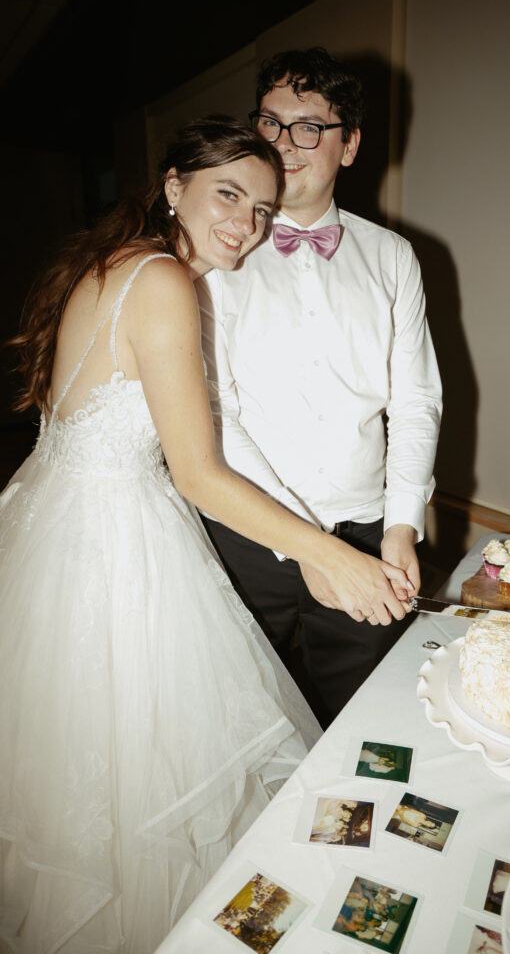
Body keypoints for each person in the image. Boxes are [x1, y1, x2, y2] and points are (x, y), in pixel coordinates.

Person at [0, 115, 411, 954]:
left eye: (263, 209)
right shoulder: (163, 281)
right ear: (173, 185)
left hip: (59, 524)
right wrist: (329, 552)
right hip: (115, 546)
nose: (247, 225)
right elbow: (197, 473)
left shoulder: (111, 262)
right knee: (148, 776)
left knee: (92, 778)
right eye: (229, 195)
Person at [197, 47, 442, 725]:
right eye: (271, 124)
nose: (284, 144)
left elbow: (415, 400)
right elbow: (216, 413)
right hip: (242, 531)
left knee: (361, 721)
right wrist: (308, 543)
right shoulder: (219, 249)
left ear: (351, 144)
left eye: (308, 126)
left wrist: (399, 528)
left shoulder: (394, 257)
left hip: (368, 532)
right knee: (237, 718)